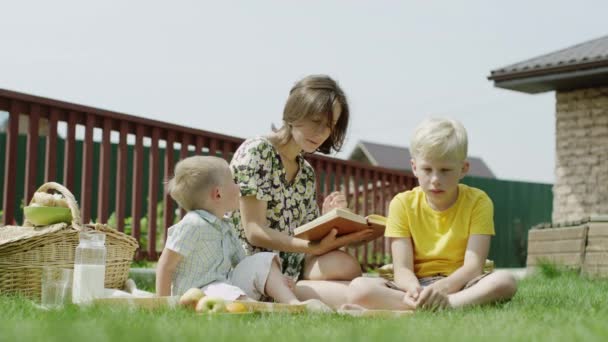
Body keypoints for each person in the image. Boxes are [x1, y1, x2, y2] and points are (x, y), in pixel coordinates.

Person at [228, 75, 373, 308]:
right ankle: (296, 295)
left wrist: (333, 221)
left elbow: (309, 239)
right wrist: (311, 247)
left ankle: (300, 293)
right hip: (256, 267)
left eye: (329, 126)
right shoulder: (257, 152)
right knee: (359, 295)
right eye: (315, 120)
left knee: (348, 267)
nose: (321, 133)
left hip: (295, 267)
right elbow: (254, 231)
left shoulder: (305, 172)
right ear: (294, 111)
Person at [346, 118, 517, 310]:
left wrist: (441, 288)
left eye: (445, 170)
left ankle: (443, 304)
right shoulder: (401, 204)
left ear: (463, 169)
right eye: (427, 169)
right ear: (414, 167)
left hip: (462, 284)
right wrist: (415, 289)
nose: (435, 179)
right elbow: (402, 269)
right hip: (415, 285)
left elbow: (473, 266)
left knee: (505, 281)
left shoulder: (478, 201)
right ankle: (437, 305)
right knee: (358, 288)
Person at [156, 156, 329, 310]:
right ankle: (266, 309)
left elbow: (243, 264)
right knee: (223, 290)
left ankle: (293, 304)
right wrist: (163, 304)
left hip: (226, 284)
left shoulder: (226, 226)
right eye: (233, 182)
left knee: (262, 260)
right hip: (197, 293)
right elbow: (166, 265)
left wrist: (273, 276)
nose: (239, 186)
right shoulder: (192, 224)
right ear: (218, 194)